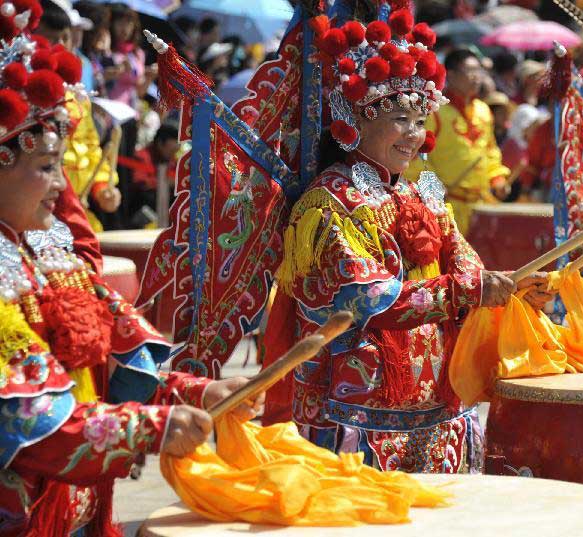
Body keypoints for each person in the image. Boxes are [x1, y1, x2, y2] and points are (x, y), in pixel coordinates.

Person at [0, 11, 260, 535]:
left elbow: (118, 372)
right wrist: (152, 428)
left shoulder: (58, 257)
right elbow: (30, 423)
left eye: (60, 167)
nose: (62, 187)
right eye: (46, 167)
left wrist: (195, 393)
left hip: (80, 510)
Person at [265, 12, 550, 473]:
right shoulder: (328, 203)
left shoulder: (426, 190)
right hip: (360, 401)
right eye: (401, 119)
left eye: (420, 121)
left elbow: (463, 262)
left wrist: (512, 288)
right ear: (355, 119)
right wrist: (465, 290)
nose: (414, 135)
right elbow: (366, 297)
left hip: (438, 392)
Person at [406, 47, 511, 235]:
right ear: (451, 75)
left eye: (479, 71)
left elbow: (490, 151)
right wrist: (432, 184)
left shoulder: (483, 110)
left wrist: (497, 178)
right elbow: (415, 154)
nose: (476, 77)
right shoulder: (436, 112)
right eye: (469, 71)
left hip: (481, 205)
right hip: (447, 205)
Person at [38, 0, 121, 231]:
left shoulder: (76, 99)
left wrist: (102, 187)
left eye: (64, 38)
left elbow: (91, 149)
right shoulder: (17, 96)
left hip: (74, 213)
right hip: (30, 216)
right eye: (49, 39)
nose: (59, 47)